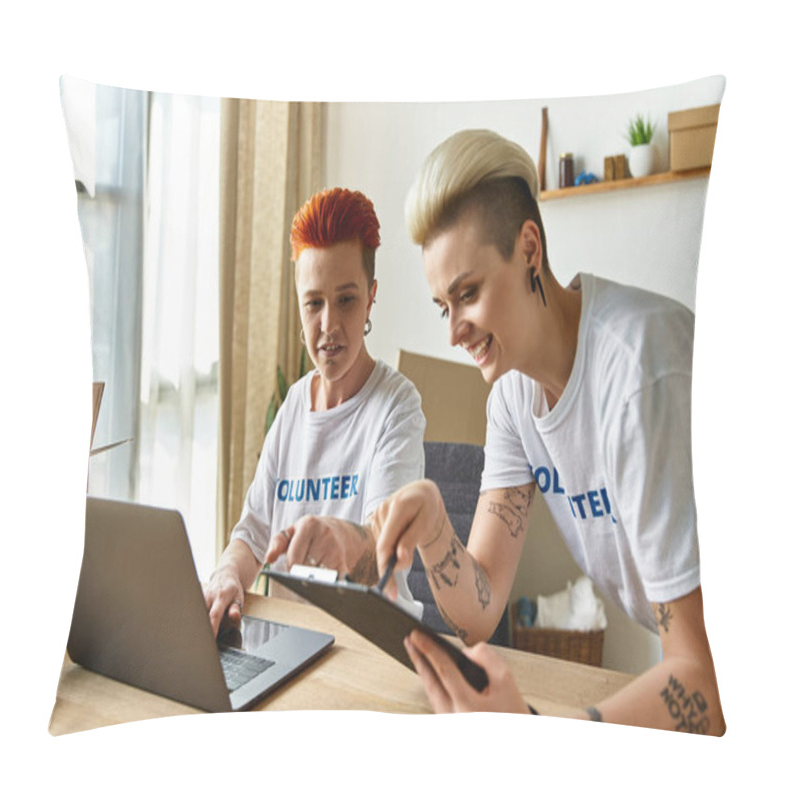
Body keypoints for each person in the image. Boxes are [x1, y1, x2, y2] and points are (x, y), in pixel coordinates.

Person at [372, 129, 725, 734]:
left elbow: (708, 680)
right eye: (442, 306)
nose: (453, 330)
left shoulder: (637, 373)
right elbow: (480, 614)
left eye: (468, 293)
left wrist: (547, 738)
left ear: (529, 249)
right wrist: (434, 526)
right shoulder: (512, 395)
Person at [205, 187, 425, 637]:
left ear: (370, 298)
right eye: (313, 303)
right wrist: (228, 574)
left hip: (367, 647)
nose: (328, 326)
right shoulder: (291, 409)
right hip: (286, 644)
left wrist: (341, 542)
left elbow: (385, 555)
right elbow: (251, 535)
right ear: (299, 304)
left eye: (346, 300)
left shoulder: (397, 407)